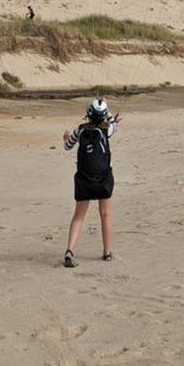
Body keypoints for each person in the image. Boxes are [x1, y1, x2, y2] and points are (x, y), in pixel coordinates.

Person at [62, 98, 121, 268]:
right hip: (103, 178)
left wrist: (65, 138)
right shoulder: (107, 130)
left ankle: (69, 251)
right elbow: (113, 123)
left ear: (88, 114)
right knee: (105, 214)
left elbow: (67, 146)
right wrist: (110, 115)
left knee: (79, 216)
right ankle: (107, 252)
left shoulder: (80, 131)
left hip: (83, 179)